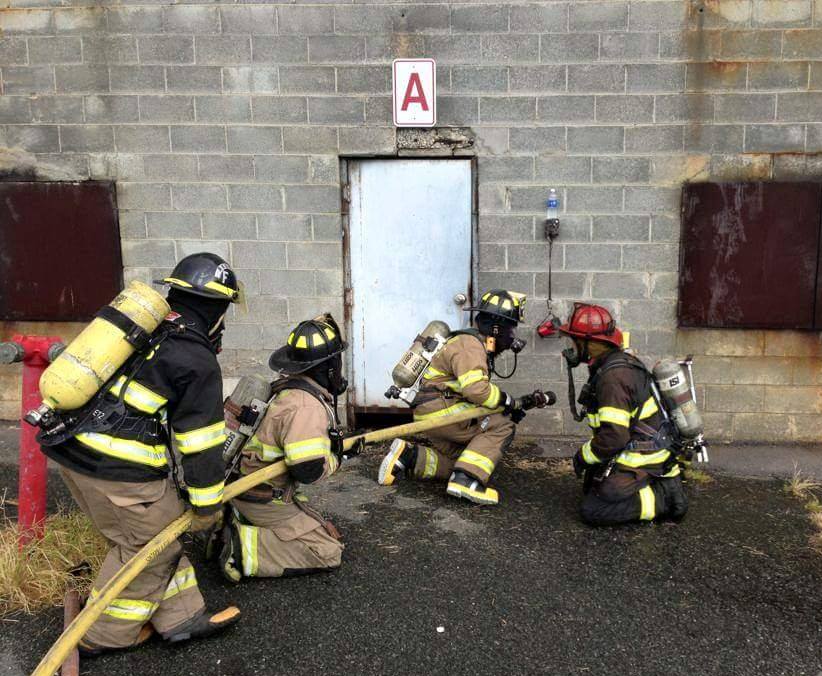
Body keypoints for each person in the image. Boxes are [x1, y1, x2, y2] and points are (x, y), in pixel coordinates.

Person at [42, 253, 242, 655]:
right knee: (150, 547)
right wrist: (207, 507)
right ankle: (104, 635)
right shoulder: (196, 358)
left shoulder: (142, 331)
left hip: (71, 449)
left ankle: (182, 617)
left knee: (154, 535)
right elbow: (200, 446)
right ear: (218, 310)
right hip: (118, 469)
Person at [217, 316, 348, 581]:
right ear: (330, 367)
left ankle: (234, 520)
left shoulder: (286, 388)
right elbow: (307, 470)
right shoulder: (305, 405)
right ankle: (240, 546)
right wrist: (337, 457)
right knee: (327, 550)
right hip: (262, 497)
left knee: (319, 525)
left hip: (244, 487)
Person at [378, 290, 528, 506]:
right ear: (496, 327)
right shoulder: (470, 345)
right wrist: (507, 401)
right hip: (443, 411)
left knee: (466, 459)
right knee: (503, 424)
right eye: (511, 327)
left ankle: (409, 457)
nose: (512, 334)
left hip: (435, 412)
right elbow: (477, 391)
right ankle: (467, 482)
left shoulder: (470, 343)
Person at [558, 303, 688, 526]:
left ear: (591, 344)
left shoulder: (613, 378)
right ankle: (657, 488)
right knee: (592, 486)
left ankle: (665, 499)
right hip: (643, 451)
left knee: (593, 510)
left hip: (647, 461)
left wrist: (583, 456)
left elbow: (614, 437)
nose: (572, 347)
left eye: (575, 341)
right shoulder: (612, 366)